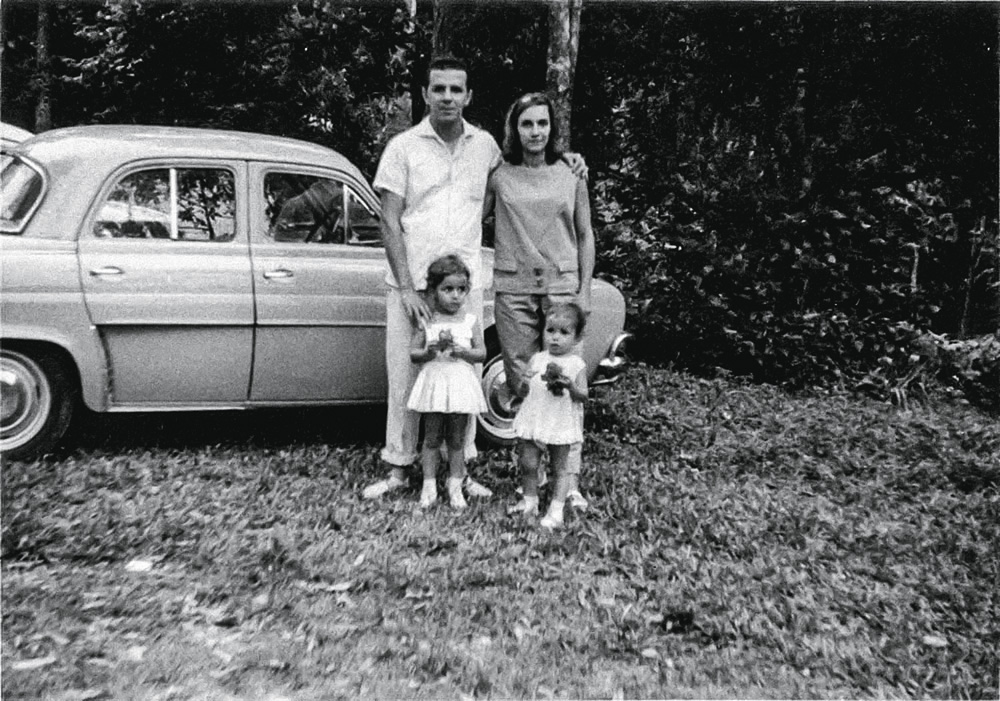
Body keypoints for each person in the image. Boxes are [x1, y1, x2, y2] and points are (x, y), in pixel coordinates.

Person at [362, 57, 587, 501]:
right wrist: (407, 286)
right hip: (412, 284)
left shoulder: (485, 147)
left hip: (464, 286)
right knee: (407, 374)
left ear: (469, 96)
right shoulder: (403, 147)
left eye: (456, 89)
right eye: (439, 89)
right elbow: (388, 220)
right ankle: (399, 468)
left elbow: (530, 168)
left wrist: (571, 160)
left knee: (462, 377)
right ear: (426, 94)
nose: (448, 97)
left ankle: (460, 471)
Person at [487, 92, 596, 509]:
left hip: (562, 287)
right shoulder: (498, 173)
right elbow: (470, 214)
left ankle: (568, 482)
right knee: (522, 381)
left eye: (542, 124)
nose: (535, 132)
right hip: (514, 288)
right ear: (514, 129)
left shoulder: (571, 173)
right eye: (527, 124)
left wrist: (584, 288)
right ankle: (530, 485)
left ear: (552, 128)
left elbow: (585, 234)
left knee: (566, 382)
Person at [407, 255, 487, 509]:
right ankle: (428, 485)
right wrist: (429, 351)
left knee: (456, 439)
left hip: (460, 384)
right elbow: (413, 353)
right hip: (435, 383)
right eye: (447, 289)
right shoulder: (427, 320)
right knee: (431, 437)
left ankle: (455, 484)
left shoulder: (469, 321)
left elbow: (481, 353)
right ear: (433, 290)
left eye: (461, 289)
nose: (455, 296)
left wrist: (461, 351)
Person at [507, 303, 588, 529]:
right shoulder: (538, 359)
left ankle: (556, 510)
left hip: (559, 421)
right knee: (528, 462)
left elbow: (583, 396)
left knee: (560, 467)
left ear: (577, 337)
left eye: (564, 333)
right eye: (550, 331)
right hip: (535, 418)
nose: (555, 338)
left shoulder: (576, 364)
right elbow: (525, 392)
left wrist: (571, 386)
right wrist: (523, 382)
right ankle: (530, 501)